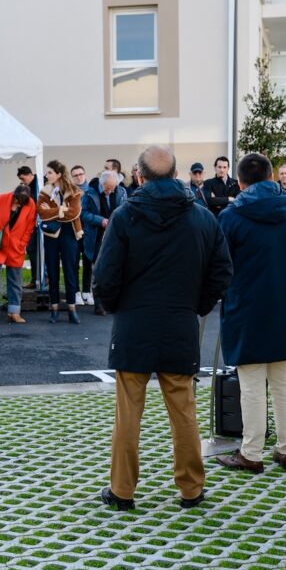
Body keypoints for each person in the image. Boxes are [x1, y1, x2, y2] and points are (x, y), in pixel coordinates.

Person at [93, 145, 232, 510]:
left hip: (135, 324)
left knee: (127, 416)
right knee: (184, 413)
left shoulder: (125, 216)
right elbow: (222, 271)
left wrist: (114, 306)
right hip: (179, 323)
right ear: (175, 174)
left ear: (139, 176)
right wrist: (196, 307)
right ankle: (191, 489)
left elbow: (105, 275)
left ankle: (122, 491)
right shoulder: (201, 218)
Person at [216, 153, 286, 474]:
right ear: (273, 177)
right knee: (284, 380)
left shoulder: (231, 216)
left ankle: (251, 452)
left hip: (248, 306)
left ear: (240, 183)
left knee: (252, 383)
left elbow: (223, 265)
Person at [0, 185, 37, 324]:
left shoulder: (30, 204)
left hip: (15, 247)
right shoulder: (1, 199)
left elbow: (30, 226)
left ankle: (14, 312)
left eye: (20, 203)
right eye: (16, 200)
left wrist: (22, 243)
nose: (17, 204)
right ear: (14, 194)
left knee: (15, 280)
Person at [37, 160, 83, 324]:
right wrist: (61, 210)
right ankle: (54, 309)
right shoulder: (44, 191)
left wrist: (54, 211)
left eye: (49, 172)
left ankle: (72, 309)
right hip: (51, 236)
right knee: (53, 272)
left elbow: (74, 213)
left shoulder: (74, 191)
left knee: (71, 272)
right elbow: (41, 213)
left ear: (58, 174)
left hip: (69, 235)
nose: (46, 175)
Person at [80, 170, 127, 316]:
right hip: (96, 237)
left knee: (115, 269)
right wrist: (100, 221)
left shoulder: (120, 192)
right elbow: (83, 214)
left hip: (115, 236)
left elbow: (126, 210)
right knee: (98, 271)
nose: (111, 191)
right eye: (107, 188)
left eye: (113, 188)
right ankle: (99, 304)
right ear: (101, 184)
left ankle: (114, 302)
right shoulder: (89, 193)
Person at [71, 164, 94, 306]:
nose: (79, 177)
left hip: (89, 231)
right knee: (74, 263)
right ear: (72, 178)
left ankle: (87, 291)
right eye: (75, 175)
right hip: (73, 231)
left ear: (85, 174)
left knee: (88, 262)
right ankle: (76, 292)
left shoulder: (92, 191)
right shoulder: (70, 191)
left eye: (81, 174)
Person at [16, 166, 40, 288]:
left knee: (32, 249)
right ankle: (36, 278)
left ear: (30, 174)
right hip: (32, 223)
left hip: (39, 223)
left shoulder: (39, 183)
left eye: (23, 178)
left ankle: (39, 278)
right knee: (32, 249)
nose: (22, 182)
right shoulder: (30, 186)